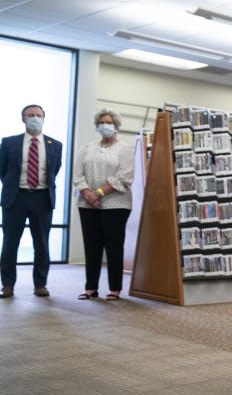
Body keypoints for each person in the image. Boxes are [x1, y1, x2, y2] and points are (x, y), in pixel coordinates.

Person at [0, 105, 63, 298]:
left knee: (42, 244)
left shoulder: (55, 144)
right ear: (23, 119)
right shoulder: (9, 142)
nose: (35, 118)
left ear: (44, 119)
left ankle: (40, 285)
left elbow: (54, 170)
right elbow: (2, 170)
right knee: (10, 243)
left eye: (38, 115)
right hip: (15, 198)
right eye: (30, 115)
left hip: (42, 198)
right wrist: (12, 186)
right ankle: (8, 285)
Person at [72, 108, 135, 301]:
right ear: (97, 126)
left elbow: (124, 176)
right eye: (102, 123)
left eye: (109, 122)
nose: (105, 126)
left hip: (116, 205)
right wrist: (87, 194)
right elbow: (77, 173)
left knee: (113, 246)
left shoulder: (124, 148)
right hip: (87, 204)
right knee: (91, 246)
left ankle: (115, 289)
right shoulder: (88, 147)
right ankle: (90, 288)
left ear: (116, 127)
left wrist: (98, 193)